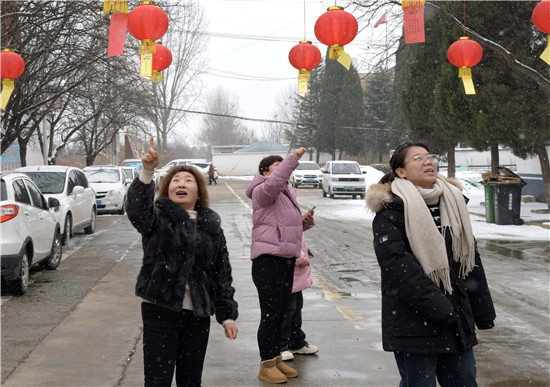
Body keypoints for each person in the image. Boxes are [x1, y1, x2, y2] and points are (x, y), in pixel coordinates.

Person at [365, 142, 496, 387]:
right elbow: (399, 270)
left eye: (430, 156)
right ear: (401, 172)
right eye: (417, 158)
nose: (428, 162)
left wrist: (482, 311)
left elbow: (470, 262)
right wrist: (441, 308)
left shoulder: (453, 202)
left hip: (456, 321)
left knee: (464, 381)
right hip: (414, 323)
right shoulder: (390, 211)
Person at [126, 137, 238, 387]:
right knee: (157, 380)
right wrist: (147, 172)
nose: (182, 183)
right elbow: (137, 211)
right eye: (175, 180)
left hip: (198, 315)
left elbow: (222, 272)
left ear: (199, 190)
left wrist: (227, 315)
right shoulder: (157, 219)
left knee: (191, 380)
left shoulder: (211, 225)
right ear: (167, 189)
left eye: (189, 180)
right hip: (160, 310)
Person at [245, 147, 315, 384]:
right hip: (268, 262)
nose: (282, 170)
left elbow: (283, 230)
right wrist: (291, 160)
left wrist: (303, 222)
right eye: (277, 166)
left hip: (285, 260)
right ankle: (266, 364)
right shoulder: (262, 190)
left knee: (281, 314)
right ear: (264, 172)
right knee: (271, 315)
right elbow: (275, 183)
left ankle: (275, 360)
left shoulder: (283, 194)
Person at [280, 234, 319, 361]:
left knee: (296, 308)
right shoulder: (284, 215)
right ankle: (281, 346)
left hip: (295, 273)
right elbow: (288, 243)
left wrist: (306, 252)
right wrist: (302, 258)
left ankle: (296, 342)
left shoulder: (292, 215)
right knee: (287, 311)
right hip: (289, 269)